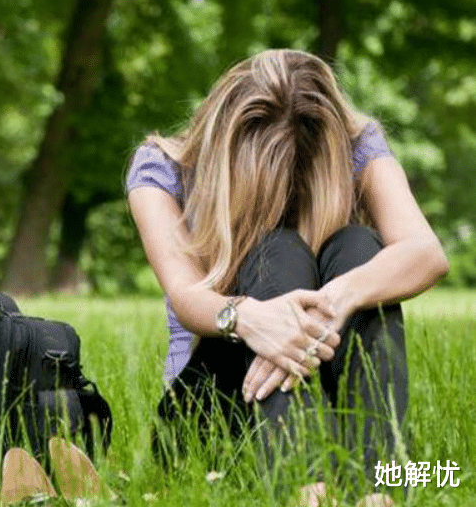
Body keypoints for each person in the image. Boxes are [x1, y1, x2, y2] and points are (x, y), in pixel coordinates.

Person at [126, 49, 448, 507]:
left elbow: (426, 252)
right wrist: (251, 319)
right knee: (276, 251)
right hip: (216, 416)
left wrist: (337, 298)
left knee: (359, 246)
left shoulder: (359, 146)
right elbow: (185, 295)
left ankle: (379, 484)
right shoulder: (161, 167)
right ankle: (307, 485)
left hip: (336, 412)